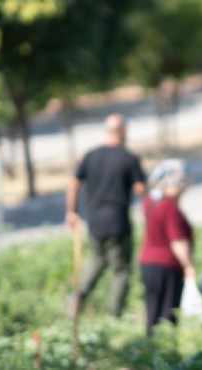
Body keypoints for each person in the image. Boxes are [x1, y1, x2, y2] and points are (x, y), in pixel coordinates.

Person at [65, 113, 146, 318]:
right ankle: (114, 315)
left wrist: (71, 212)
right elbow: (140, 189)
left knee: (98, 260)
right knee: (121, 269)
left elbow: (74, 183)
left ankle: (77, 299)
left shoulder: (91, 155)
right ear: (123, 131)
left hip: (95, 221)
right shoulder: (128, 157)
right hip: (118, 221)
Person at [138, 158, 195, 337]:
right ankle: (164, 355)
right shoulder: (170, 208)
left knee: (153, 310)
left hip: (147, 262)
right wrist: (188, 266)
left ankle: (150, 350)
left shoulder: (150, 201)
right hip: (166, 265)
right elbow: (177, 241)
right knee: (167, 313)